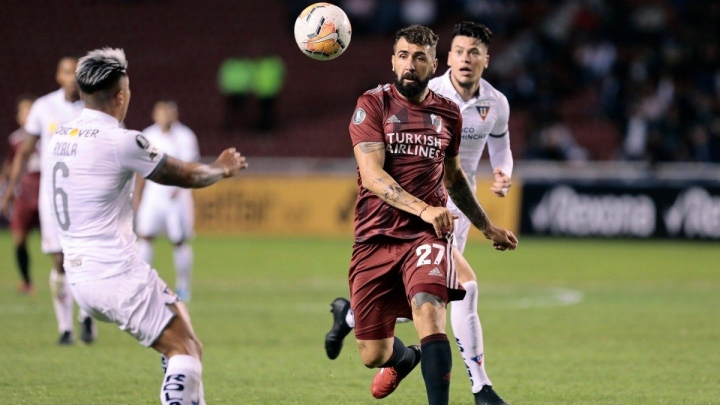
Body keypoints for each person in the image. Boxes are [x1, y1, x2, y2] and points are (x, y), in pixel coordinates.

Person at [325, 21, 515, 405]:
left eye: (419, 58)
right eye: (403, 56)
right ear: (393, 62)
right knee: (373, 355)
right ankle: (404, 356)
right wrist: (425, 208)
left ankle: (475, 388)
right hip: (375, 236)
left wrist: (487, 226)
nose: (410, 64)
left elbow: (455, 179)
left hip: (426, 236)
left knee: (431, 311)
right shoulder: (372, 105)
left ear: (432, 65)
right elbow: (374, 177)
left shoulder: (449, 114)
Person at [47, 47, 247, 405]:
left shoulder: (60, 136)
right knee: (185, 350)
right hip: (115, 274)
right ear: (122, 95)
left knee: (181, 327)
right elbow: (187, 175)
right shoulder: (122, 140)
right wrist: (222, 168)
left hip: (80, 276)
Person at [0, 56, 96, 345]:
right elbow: (25, 151)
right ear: (59, 76)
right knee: (59, 260)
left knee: (86, 259)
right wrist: (9, 190)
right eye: (68, 72)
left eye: (77, 73)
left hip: (86, 194)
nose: (72, 77)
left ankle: (86, 314)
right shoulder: (43, 107)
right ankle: (66, 327)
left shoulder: (95, 106)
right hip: (52, 195)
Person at [134, 100, 200, 302]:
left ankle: (183, 285)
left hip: (176, 198)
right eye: (162, 113)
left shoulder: (185, 136)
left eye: (169, 113)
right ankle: (143, 284)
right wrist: (137, 196)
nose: (166, 116)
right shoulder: (147, 136)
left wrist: (180, 188)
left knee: (179, 241)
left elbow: (191, 168)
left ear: (176, 114)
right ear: (155, 115)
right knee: (145, 237)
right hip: (153, 196)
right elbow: (139, 171)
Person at [0, 95, 40, 294]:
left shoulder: (50, 134)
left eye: (31, 110)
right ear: (18, 116)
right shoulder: (16, 139)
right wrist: (6, 190)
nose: (28, 115)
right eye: (24, 111)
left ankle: (68, 279)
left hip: (47, 193)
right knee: (19, 238)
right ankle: (26, 281)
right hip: (24, 194)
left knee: (58, 243)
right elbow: (10, 164)